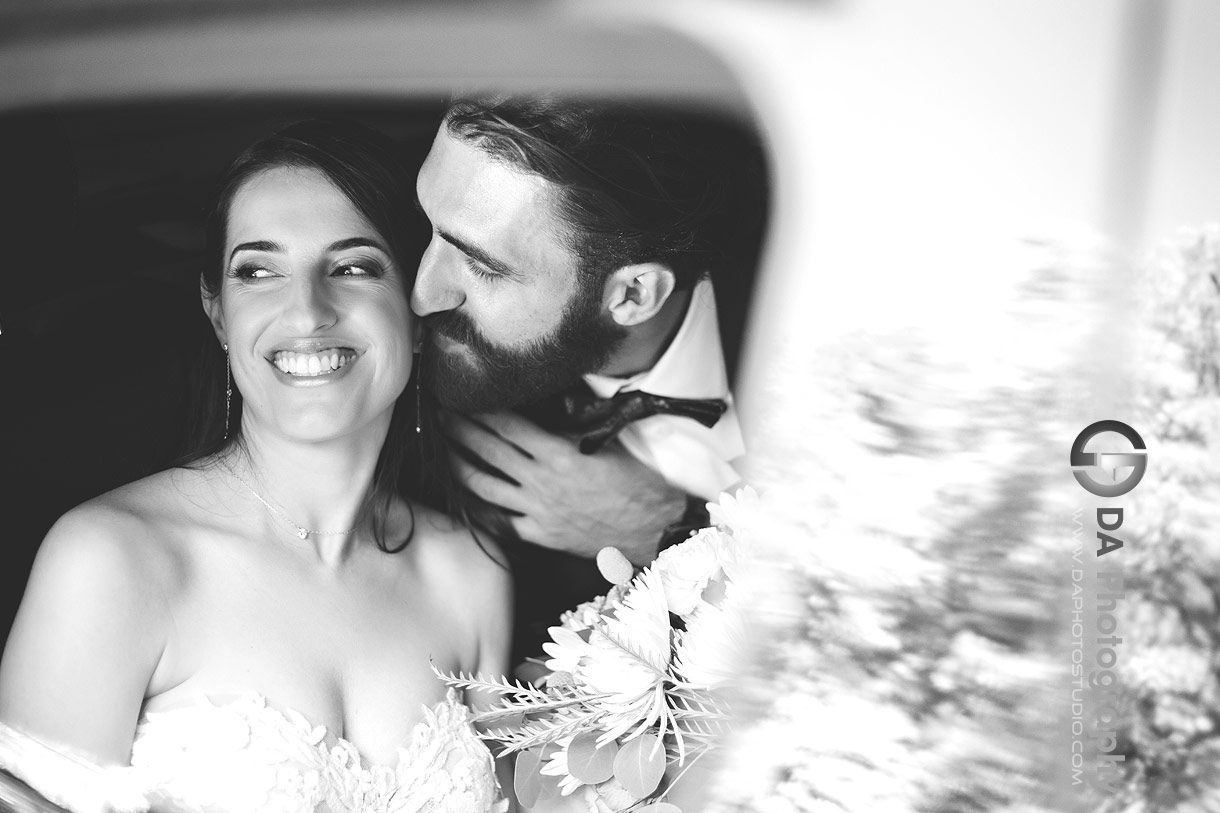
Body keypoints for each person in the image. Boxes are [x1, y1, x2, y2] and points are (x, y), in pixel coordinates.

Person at [0, 120, 511, 813]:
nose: (307, 309)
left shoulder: (471, 578)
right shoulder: (111, 561)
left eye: (354, 265)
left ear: (417, 309)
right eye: (258, 271)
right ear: (218, 312)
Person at [411, 96, 765, 664]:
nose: (422, 295)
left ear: (631, 295)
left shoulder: (808, 326)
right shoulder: (447, 406)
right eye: (426, 226)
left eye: (482, 266)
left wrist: (665, 528)